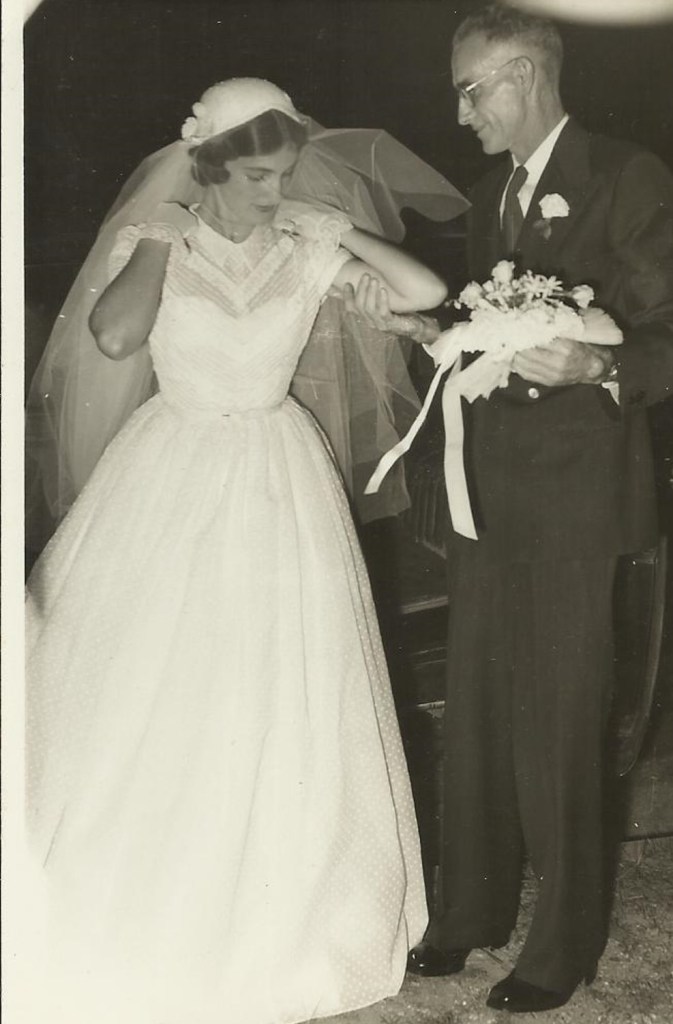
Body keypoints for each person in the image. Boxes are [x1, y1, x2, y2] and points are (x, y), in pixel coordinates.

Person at [24, 78, 458, 1024]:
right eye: (257, 174)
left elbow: (424, 292)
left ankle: (284, 907)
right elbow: (115, 335)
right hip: (170, 467)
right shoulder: (162, 242)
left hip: (276, 472)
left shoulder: (304, 248)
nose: (273, 191)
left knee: (277, 680)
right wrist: (160, 237)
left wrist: (337, 229)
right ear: (209, 167)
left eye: (283, 173)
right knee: (154, 677)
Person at [348, 3, 673, 1014]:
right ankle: (471, 912)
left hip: (576, 497)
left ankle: (561, 945)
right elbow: (483, 331)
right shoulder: (492, 194)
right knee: (481, 701)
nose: (461, 114)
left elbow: (664, 331)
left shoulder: (624, 177)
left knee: (563, 714)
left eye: (471, 89)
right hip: (485, 492)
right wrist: (427, 330)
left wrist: (598, 365)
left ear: (525, 74)